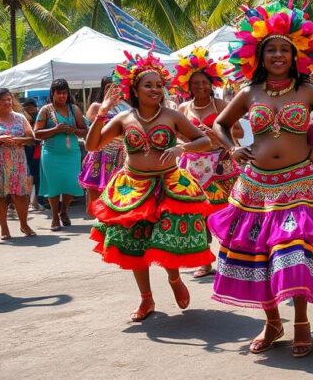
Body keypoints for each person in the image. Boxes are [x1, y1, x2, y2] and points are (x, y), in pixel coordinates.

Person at [210, 0, 313, 358]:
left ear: (296, 56)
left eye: (284, 49)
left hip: (301, 184)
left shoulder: (307, 90)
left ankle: (301, 323)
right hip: (256, 187)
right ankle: (272, 321)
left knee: (294, 256)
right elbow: (220, 123)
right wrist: (231, 148)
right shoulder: (250, 93)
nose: (278, 55)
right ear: (258, 57)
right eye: (270, 50)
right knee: (260, 256)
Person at [86, 52, 221, 322]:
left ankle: (173, 278)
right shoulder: (124, 119)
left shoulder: (172, 116)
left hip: (168, 185)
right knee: (135, 245)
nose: (155, 90)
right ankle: (146, 299)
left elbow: (205, 141)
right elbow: (92, 145)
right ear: (134, 89)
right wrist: (102, 112)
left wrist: (181, 146)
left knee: (166, 240)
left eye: (159, 85)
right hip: (133, 187)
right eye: (148, 85)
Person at [172, 46, 241, 279]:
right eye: (195, 83)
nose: (200, 87)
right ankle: (204, 261)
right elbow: (179, 135)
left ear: (211, 83)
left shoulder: (221, 106)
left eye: (204, 82)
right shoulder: (183, 108)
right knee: (198, 214)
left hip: (221, 165)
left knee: (224, 212)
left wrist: (212, 133)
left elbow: (239, 131)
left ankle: (229, 258)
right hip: (192, 167)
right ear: (188, 86)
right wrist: (194, 138)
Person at [0, 88, 37, 240]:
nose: (7, 102)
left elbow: (31, 138)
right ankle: (4, 229)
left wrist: (20, 140)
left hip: (17, 161)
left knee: (21, 194)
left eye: (9, 99)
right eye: (3, 100)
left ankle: (24, 224)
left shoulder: (20, 118)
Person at [35, 79, 87, 231]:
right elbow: (37, 133)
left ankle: (64, 210)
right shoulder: (45, 110)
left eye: (64, 93)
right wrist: (55, 130)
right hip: (51, 153)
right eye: (59, 93)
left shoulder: (74, 109)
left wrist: (74, 130)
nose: (62, 96)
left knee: (72, 183)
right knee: (54, 185)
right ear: (53, 93)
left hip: (71, 154)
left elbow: (85, 130)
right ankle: (55, 217)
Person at [80, 76, 130, 219]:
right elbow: (91, 127)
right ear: (103, 89)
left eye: (116, 87)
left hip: (121, 156)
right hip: (100, 155)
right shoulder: (97, 106)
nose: (113, 90)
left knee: (118, 198)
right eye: (108, 87)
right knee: (96, 200)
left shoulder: (128, 107)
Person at [20, 97, 44, 210]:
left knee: (37, 175)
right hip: (25, 149)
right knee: (28, 175)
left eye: (31, 108)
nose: (30, 110)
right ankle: (28, 201)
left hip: (36, 149)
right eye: (27, 108)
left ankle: (36, 201)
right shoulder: (21, 118)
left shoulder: (39, 116)